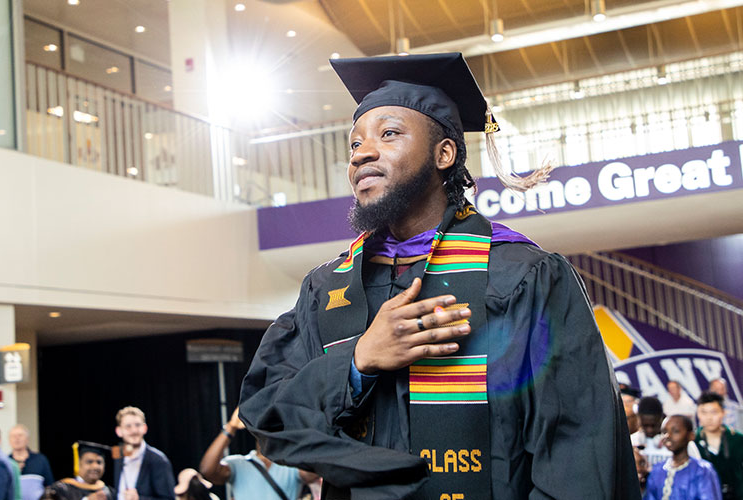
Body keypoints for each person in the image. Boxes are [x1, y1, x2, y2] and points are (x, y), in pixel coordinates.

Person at [238, 52, 639, 499]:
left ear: (444, 153)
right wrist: (358, 360)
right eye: (354, 144)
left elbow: (579, 451)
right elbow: (270, 416)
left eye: (388, 134)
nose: (362, 154)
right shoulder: (328, 287)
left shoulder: (521, 276)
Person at [200, 407, 317, 500]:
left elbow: (316, 468)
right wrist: (231, 427)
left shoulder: (290, 463)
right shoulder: (239, 463)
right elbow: (207, 470)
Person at [644, 415, 721, 500]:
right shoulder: (657, 470)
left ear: (691, 436)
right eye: (664, 432)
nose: (668, 436)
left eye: (675, 431)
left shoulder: (702, 470)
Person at [113, 406, 175, 500]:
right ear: (119, 431)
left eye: (137, 425)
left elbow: (169, 499)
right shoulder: (118, 455)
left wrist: (139, 499)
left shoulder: (158, 460)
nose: (134, 431)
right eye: (128, 426)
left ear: (145, 428)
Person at [694, 391, 743, 500]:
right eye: (704, 412)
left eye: (714, 412)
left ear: (723, 413)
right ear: (698, 414)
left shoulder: (738, 439)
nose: (709, 418)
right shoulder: (692, 441)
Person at [48, 441, 115, 500]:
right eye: (89, 462)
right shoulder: (60, 490)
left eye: (99, 462)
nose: (95, 466)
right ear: (78, 463)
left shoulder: (110, 492)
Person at [9, 423, 55, 499]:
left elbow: (49, 486)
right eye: (13, 436)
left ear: (27, 439)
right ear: (9, 440)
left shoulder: (40, 459)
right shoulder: (5, 462)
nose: (17, 438)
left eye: (20, 435)